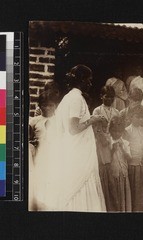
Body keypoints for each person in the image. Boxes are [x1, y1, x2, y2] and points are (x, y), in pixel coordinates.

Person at [49, 64, 107, 212]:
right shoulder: (76, 98)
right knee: (80, 185)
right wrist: (92, 120)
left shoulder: (68, 98)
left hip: (76, 150)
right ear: (82, 80)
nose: (90, 83)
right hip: (78, 152)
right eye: (89, 80)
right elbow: (73, 128)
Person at [29, 90, 59, 210]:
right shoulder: (34, 121)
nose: (47, 108)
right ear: (39, 106)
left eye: (50, 105)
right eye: (44, 105)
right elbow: (29, 140)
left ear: (55, 105)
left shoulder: (59, 120)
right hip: (39, 157)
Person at [92, 85, 119, 210]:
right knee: (104, 167)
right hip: (101, 143)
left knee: (113, 167)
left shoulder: (116, 112)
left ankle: (114, 203)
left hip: (113, 141)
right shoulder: (97, 111)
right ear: (101, 96)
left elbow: (118, 128)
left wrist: (113, 139)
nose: (109, 99)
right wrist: (105, 140)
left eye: (111, 97)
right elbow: (96, 129)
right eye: (106, 96)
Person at [123, 104, 143, 211]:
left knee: (142, 189)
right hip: (132, 164)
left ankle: (141, 210)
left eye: (142, 117)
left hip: (141, 163)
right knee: (133, 189)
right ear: (130, 117)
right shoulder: (127, 131)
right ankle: (133, 209)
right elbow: (125, 147)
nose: (140, 119)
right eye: (137, 117)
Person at [108, 115, 132, 212]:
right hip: (114, 174)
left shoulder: (125, 142)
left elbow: (129, 159)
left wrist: (123, 149)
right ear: (110, 130)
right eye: (114, 131)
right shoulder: (108, 142)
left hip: (123, 174)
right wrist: (112, 150)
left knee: (124, 195)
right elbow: (107, 160)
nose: (117, 133)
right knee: (115, 197)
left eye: (119, 131)